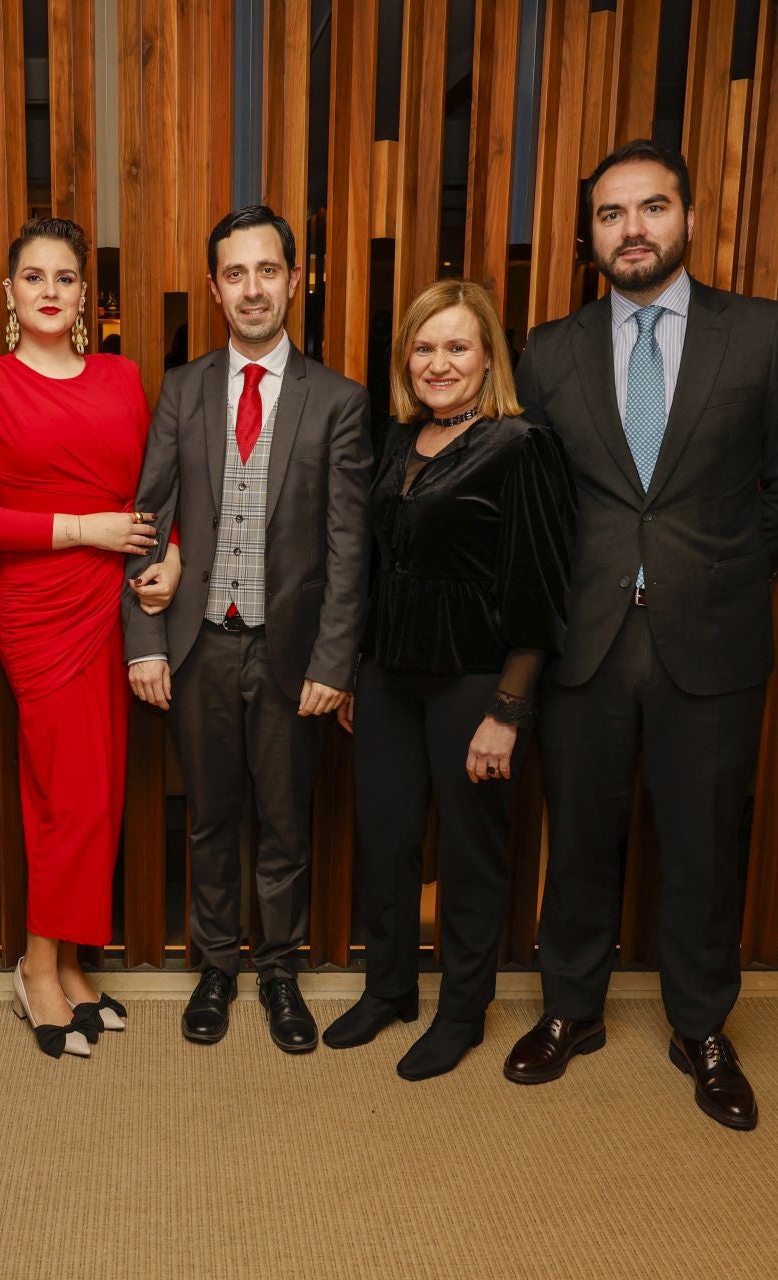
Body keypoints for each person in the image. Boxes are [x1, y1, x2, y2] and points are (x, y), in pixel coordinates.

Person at [504, 140, 778, 1129]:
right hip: (586, 639)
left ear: (686, 217)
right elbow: (537, 500)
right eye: (610, 214)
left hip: (713, 635)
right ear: (587, 234)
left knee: (702, 843)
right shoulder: (550, 351)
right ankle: (570, 1009)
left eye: (650, 208)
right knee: (582, 834)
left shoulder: (762, 334)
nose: (631, 228)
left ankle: (700, 1027)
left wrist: (718, 570)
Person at [125, 205, 373, 1054]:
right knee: (208, 819)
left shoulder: (339, 401)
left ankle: (277, 971)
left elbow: (349, 548)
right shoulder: (185, 388)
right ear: (214, 288)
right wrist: (145, 641)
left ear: (295, 281)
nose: (253, 288)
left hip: (290, 652)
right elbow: (147, 518)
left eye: (268, 270)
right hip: (198, 645)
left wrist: (335, 660)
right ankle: (216, 967)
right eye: (236, 274)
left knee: (285, 823)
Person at [323, 280, 573, 1080]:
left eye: (458, 346)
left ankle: (462, 1011)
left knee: (470, 852)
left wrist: (508, 709)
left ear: (488, 355)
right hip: (389, 679)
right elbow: (380, 568)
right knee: (387, 840)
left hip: (474, 684)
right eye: (425, 347)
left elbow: (540, 590)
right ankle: (390, 989)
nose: (439, 363)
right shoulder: (400, 440)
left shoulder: (519, 445)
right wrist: (359, 667)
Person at [0, 217, 164, 1059]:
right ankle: (36, 968)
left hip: (115, 602)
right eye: (32, 276)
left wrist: (166, 558)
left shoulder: (120, 376)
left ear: (84, 295)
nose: (48, 290)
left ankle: (72, 966)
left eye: (65, 278)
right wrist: (82, 529)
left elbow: (151, 490)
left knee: (99, 791)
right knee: (62, 792)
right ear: (9, 293)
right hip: (38, 607)